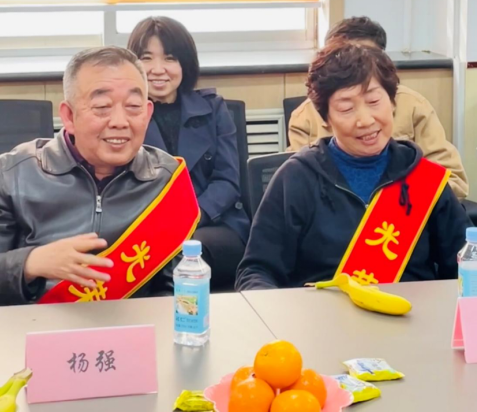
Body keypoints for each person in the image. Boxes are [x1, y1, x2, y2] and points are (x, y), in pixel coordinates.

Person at [0, 46, 200, 305]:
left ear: (147, 113)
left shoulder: (166, 179)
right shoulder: (14, 172)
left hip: (134, 324)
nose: (120, 121)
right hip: (36, 323)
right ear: (68, 116)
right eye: (102, 107)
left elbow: (175, 288)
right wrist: (31, 263)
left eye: (133, 106)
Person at [236, 43, 472, 291]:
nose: (365, 120)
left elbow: (466, 264)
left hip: (412, 309)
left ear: (392, 102)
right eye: (346, 109)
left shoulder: (425, 179)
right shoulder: (296, 178)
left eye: (374, 101)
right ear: (326, 118)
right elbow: (256, 271)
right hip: (320, 311)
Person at [127, 17, 250, 290]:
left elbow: (228, 182)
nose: (158, 69)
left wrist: (189, 219)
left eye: (169, 58)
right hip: (147, 227)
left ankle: (181, 313)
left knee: (188, 253)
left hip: (213, 224)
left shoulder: (213, 109)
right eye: (147, 58)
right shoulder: (125, 116)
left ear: (185, 63)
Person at [288, 16, 469, 199]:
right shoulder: (304, 116)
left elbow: (453, 180)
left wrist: (392, 203)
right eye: (342, 61)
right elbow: (295, 188)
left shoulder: (414, 106)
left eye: (364, 59)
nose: (365, 121)